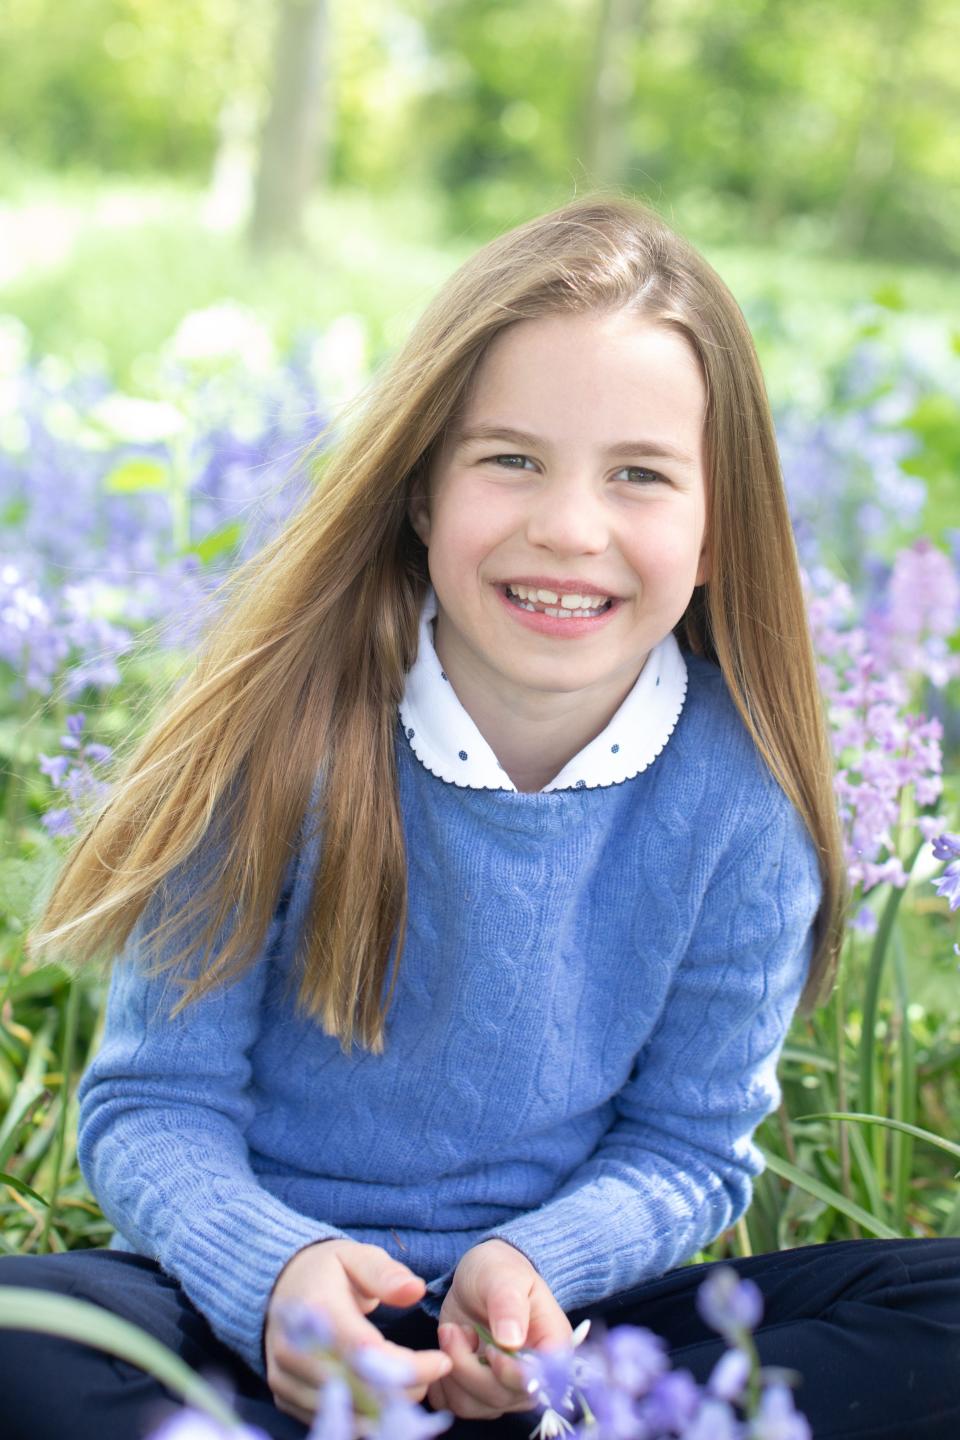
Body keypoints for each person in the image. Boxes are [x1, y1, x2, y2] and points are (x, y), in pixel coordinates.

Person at [3, 195, 958, 1440]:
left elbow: (690, 1144)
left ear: (717, 528)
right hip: (260, 1335)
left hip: (564, 1345)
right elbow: (154, 1107)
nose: (568, 527)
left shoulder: (745, 795)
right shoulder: (283, 728)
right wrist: (281, 1284)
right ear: (418, 490)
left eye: (641, 476)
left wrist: (535, 1273)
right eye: (510, 459)